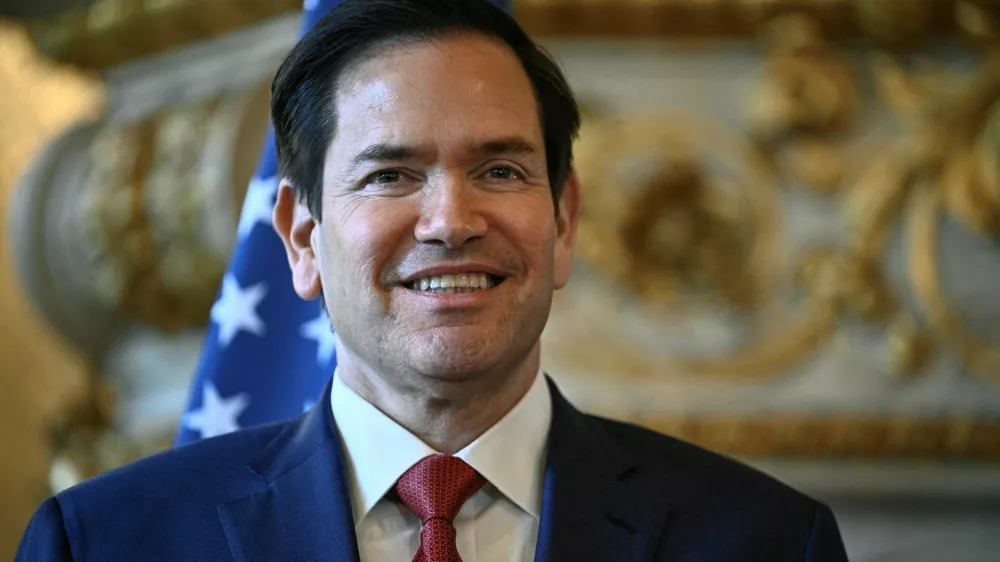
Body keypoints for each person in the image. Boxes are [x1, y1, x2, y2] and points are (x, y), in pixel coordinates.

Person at [17, 0, 849, 560]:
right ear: (302, 239)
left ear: (562, 224)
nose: (450, 219)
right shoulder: (108, 541)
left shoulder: (764, 540)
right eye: (390, 175)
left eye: (499, 169)